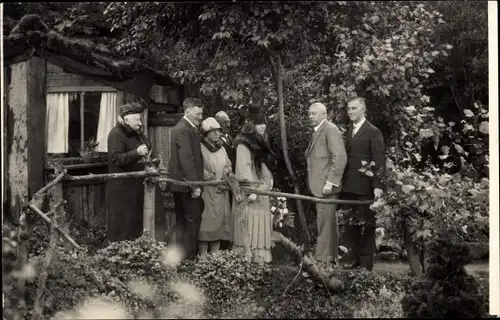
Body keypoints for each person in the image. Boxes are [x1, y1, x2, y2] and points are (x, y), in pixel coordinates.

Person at [340, 97, 386, 271]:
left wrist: (378, 185)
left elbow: (379, 160)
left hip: (366, 187)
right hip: (349, 186)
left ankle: (366, 265)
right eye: (349, 109)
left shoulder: (373, 131)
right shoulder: (349, 131)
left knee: (367, 225)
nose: (350, 111)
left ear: (363, 109)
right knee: (351, 224)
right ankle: (355, 259)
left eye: (354, 108)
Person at [231, 104, 277, 263]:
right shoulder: (243, 143)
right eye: (259, 123)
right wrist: (253, 190)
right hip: (251, 191)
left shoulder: (263, 140)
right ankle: (249, 257)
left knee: (261, 221)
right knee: (250, 222)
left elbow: (265, 165)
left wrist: (269, 180)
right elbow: (244, 169)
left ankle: (261, 258)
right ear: (251, 125)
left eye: (264, 122)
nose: (263, 126)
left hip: (263, 188)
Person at [305, 102, 347, 267]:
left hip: (326, 186)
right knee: (327, 222)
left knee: (324, 222)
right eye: (309, 113)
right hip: (320, 186)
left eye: (314, 113)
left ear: (324, 114)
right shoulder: (318, 131)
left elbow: (340, 157)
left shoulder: (330, 129)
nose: (310, 116)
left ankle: (322, 261)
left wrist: (331, 182)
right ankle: (330, 258)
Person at [106, 102, 152, 242]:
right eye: (137, 119)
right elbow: (116, 158)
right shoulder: (116, 134)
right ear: (126, 120)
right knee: (122, 223)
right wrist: (136, 152)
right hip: (121, 187)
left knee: (134, 222)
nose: (140, 122)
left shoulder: (135, 134)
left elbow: (147, 146)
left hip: (135, 185)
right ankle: (117, 252)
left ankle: (133, 253)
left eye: (140, 119)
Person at [166, 97, 204, 260]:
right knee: (191, 223)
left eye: (201, 114)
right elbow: (186, 159)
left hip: (182, 185)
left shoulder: (187, 128)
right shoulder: (183, 129)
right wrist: (194, 185)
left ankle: (178, 257)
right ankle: (189, 259)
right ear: (187, 111)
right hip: (186, 186)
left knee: (183, 222)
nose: (200, 117)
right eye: (197, 114)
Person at [198, 117, 233, 255]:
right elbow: (199, 168)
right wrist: (211, 178)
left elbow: (228, 164)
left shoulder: (221, 148)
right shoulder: (201, 148)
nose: (217, 134)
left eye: (218, 131)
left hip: (222, 190)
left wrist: (226, 174)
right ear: (206, 133)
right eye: (213, 132)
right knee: (206, 224)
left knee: (219, 223)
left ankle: (215, 255)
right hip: (208, 190)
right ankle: (203, 257)